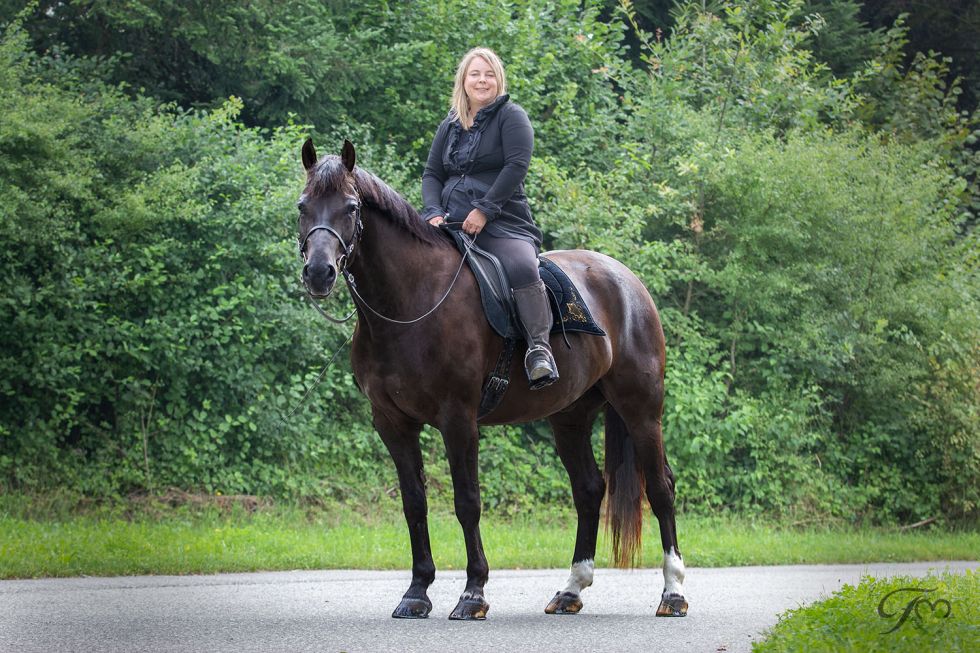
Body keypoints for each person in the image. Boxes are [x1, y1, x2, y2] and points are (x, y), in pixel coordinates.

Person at [421, 47, 558, 390]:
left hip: (503, 222)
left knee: (523, 266)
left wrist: (484, 210)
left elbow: (516, 167)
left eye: (489, 74)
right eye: (475, 74)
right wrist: (433, 213)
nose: (482, 80)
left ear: (498, 79)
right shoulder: (450, 124)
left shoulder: (512, 117)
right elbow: (431, 174)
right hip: (449, 223)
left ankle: (539, 350)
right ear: (463, 81)